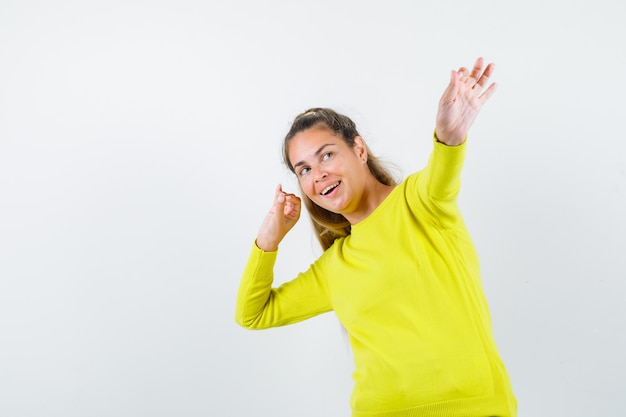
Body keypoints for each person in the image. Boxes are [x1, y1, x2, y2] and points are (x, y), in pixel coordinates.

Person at [235, 57, 517, 417]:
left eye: (326, 155)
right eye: (304, 169)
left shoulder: (420, 202)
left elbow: (442, 173)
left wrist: (448, 136)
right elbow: (253, 313)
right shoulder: (335, 266)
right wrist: (268, 240)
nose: (318, 174)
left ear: (359, 149)